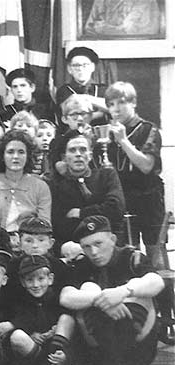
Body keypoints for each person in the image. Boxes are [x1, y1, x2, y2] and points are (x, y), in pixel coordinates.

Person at [60, 215, 165, 365]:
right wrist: (101, 299)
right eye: (86, 246)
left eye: (98, 244)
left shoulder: (131, 257)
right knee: (89, 290)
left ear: (112, 239)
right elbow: (65, 297)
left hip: (138, 350)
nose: (93, 252)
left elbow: (157, 281)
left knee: (137, 295)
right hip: (98, 350)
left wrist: (123, 292)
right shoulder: (82, 265)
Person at [104, 82, 165, 261]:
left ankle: (163, 287)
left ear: (133, 103)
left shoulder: (148, 129)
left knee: (154, 251)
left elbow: (147, 166)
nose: (116, 109)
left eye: (121, 102)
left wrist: (123, 141)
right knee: (127, 252)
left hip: (148, 199)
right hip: (122, 198)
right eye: (111, 104)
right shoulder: (108, 133)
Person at [6, 255, 75, 365]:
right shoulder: (19, 301)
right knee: (17, 336)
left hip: (56, 348)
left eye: (41, 279)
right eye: (30, 280)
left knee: (67, 319)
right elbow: (17, 321)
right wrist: (30, 333)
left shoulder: (57, 298)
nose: (36, 285)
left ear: (50, 279)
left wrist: (56, 333)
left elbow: (70, 330)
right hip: (34, 352)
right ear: (23, 282)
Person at [48, 134, 125, 250]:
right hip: (74, 246)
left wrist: (81, 213)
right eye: (72, 150)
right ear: (64, 157)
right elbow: (60, 222)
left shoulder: (106, 175)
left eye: (83, 150)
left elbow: (116, 208)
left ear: (90, 155)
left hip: (108, 243)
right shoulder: (56, 185)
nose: (78, 154)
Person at [0, 131, 52, 246]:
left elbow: (44, 223)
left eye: (21, 152)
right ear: (2, 156)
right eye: (10, 152)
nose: (16, 157)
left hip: (33, 243)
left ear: (28, 156)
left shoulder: (40, 186)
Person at [55, 47, 107, 124]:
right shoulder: (64, 91)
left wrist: (84, 98)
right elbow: (70, 117)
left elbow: (112, 109)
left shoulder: (102, 89)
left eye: (85, 65)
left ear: (92, 67)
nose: (80, 69)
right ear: (69, 69)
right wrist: (101, 113)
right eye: (76, 65)